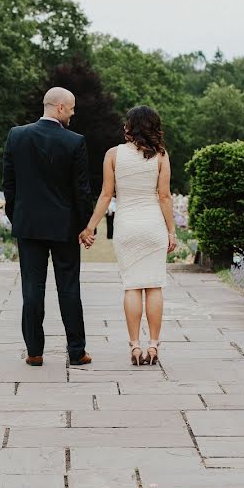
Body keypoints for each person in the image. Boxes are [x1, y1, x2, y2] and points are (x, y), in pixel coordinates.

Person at [2, 87, 93, 367]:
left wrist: (16, 217)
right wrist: (85, 225)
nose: (74, 114)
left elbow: (9, 184)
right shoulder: (75, 142)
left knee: (32, 288)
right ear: (61, 108)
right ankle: (76, 352)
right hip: (64, 227)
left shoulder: (16, 136)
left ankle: (34, 351)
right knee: (69, 288)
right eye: (73, 108)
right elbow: (81, 190)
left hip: (28, 225)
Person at [80, 106, 176, 366]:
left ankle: (135, 345)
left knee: (132, 285)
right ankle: (153, 345)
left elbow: (105, 195)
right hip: (152, 224)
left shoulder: (113, 155)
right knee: (154, 285)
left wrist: (91, 226)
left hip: (126, 225)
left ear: (129, 128)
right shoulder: (160, 156)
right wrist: (171, 230)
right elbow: (165, 197)